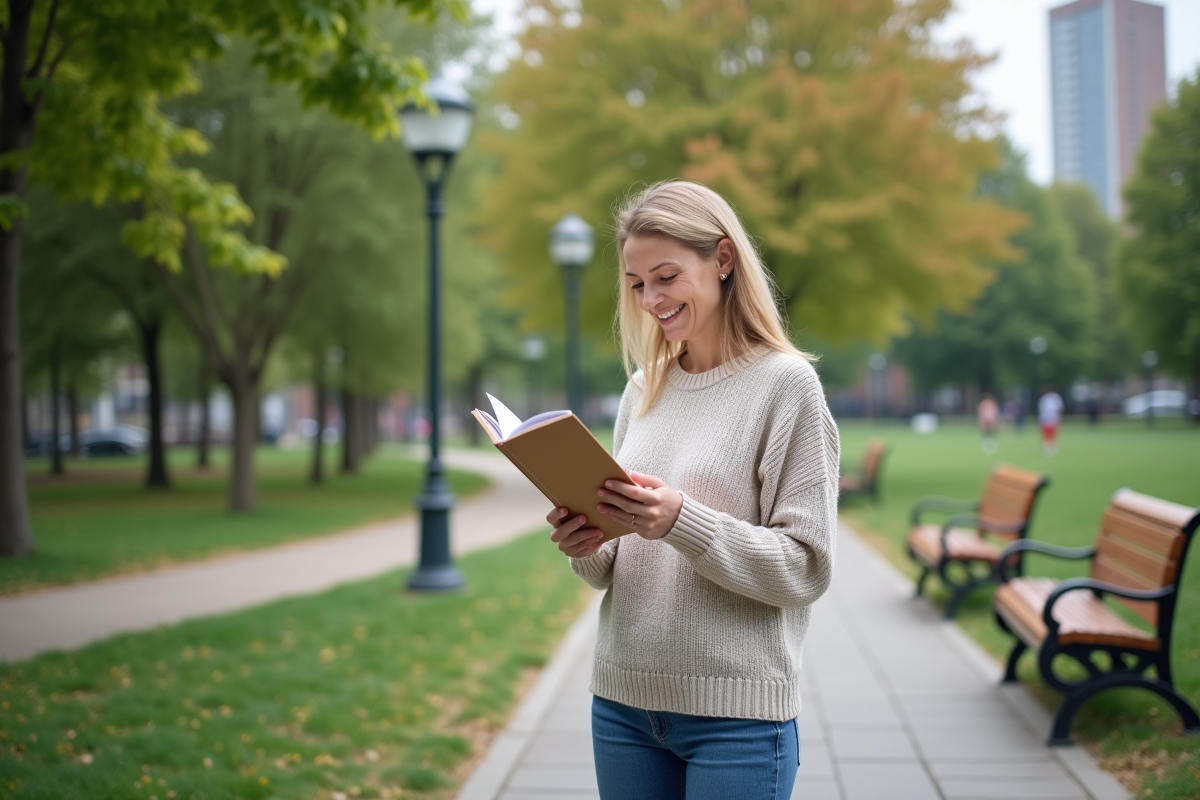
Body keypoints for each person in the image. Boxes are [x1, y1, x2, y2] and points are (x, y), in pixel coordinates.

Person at [546, 181, 839, 800]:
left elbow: (807, 567)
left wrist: (682, 519)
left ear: (723, 261)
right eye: (636, 284)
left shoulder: (787, 388)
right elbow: (611, 567)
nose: (650, 299)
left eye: (666, 276)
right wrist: (585, 541)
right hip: (624, 705)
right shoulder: (643, 387)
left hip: (737, 718)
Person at [1037, 386, 1064, 456]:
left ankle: (1052, 447)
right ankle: (1047, 447)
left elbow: (1059, 408)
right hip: (1046, 418)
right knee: (1046, 433)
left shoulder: (1055, 397)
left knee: (1052, 432)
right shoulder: (1044, 398)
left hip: (1052, 417)